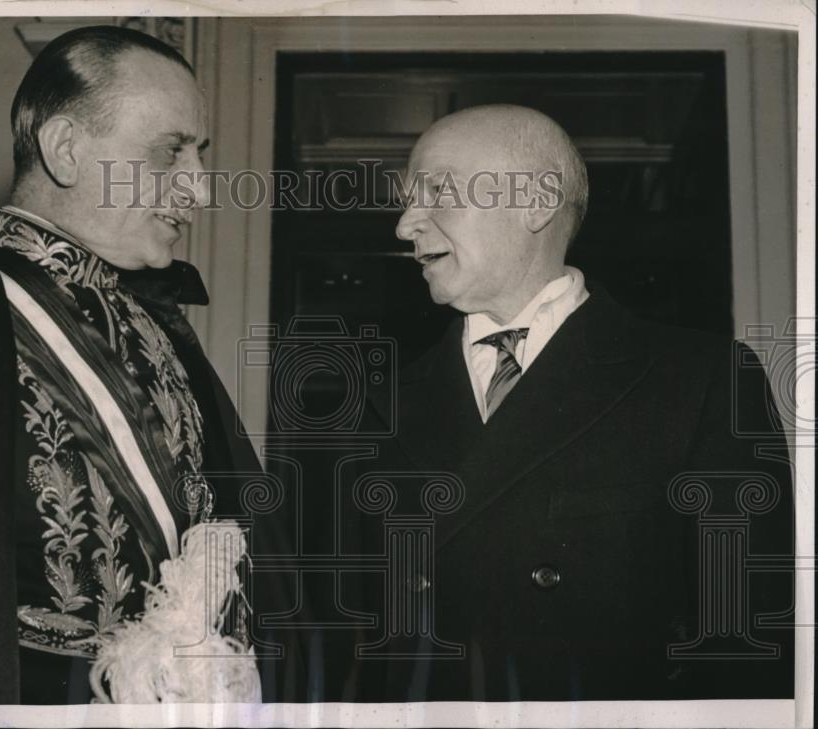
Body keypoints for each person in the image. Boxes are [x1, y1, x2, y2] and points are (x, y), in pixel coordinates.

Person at [0, 26, 300, 705]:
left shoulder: (161, 327)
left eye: (199, 155)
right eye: (170, 151)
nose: (200, 190)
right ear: (65, 149)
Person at [336, 104, 795, 701]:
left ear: (537, 200)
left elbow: (749, 649)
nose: (404, 224)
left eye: (437, 191)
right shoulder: (377, 405)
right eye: (406, 199)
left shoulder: (703, 378)